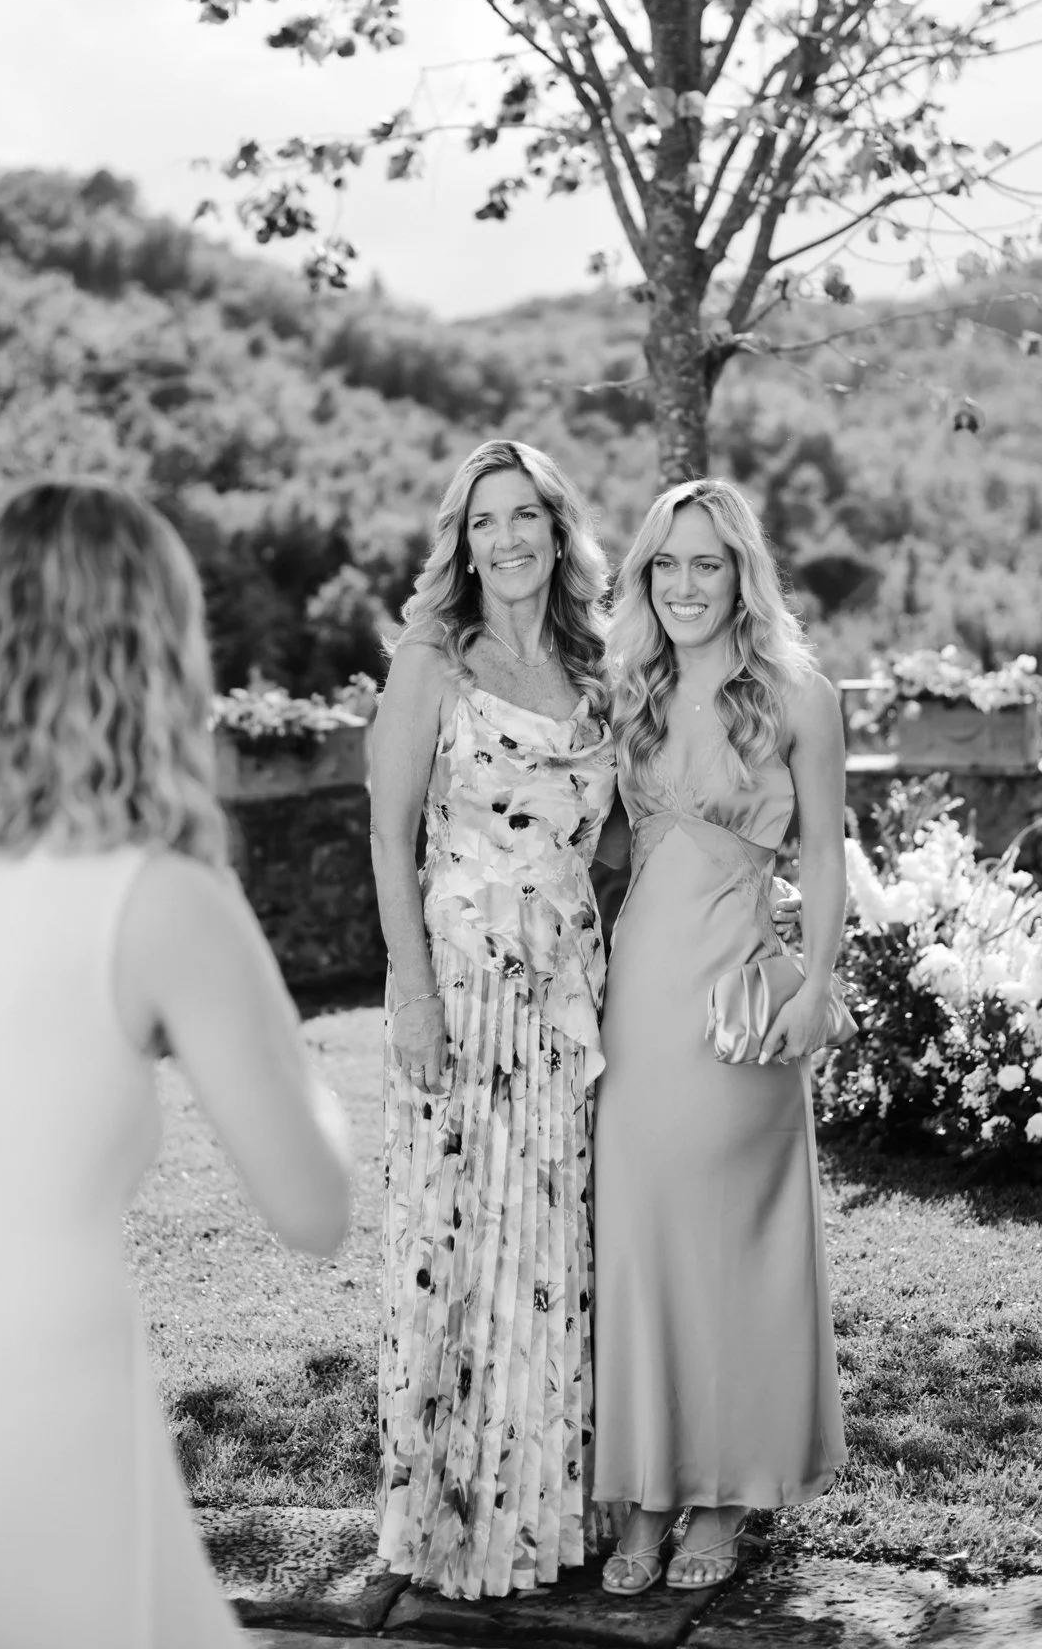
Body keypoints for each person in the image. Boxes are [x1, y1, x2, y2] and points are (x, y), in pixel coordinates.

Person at [0, 480, 351, 1649]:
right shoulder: (161, 895)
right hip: (29, 1440)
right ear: (160, 654)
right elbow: (313, 1204)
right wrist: (259, 1017)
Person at [370, 438, 617, 1600]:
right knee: (458, 1249)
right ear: (461, 544)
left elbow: (621, 838)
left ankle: (539, 1522)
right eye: (484, 522)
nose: (507, 538)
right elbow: (387, 830)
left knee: (547, 1255)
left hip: (566, 997)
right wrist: (411, 988)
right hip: (462, 991)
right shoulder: (434, 657)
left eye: (527, 516)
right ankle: (452, 1523)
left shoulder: (599, 664)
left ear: (559, 530)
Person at [592, 476, 847, 1595]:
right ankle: (644, 1489)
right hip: (637, 997)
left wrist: (818, 988)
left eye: (709, 563)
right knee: (639, 1236)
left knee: (728, 1238)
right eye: (666, 564)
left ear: (743, 571)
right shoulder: (627, 687)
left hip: (742, 993)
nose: (687, 584)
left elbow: (829, 857)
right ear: (644, 576)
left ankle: (729, 1489)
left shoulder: (798, 690)